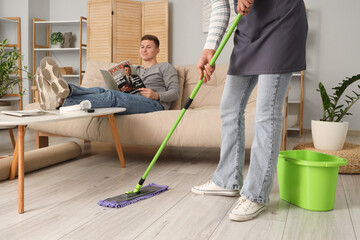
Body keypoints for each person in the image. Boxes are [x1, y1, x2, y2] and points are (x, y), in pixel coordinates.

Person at [192, 0, 308, 222]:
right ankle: (227, 180)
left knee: (267, 112)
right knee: (230, 106)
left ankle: (256, 194)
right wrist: (210, 48)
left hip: (281, 21)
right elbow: (221, 6)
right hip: (248, 29)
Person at [35, 35, 179, 114]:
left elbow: (175, 93)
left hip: (154, 104)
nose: (144, 50)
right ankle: (65, 90)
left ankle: (61, 101)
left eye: (149, 47)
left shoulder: (165, 67)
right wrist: (111, 82)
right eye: (142, 47)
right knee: (101, 90)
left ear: (157, 50)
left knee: (112, 96)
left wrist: (156, 95)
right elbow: (107, 89)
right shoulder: (133, 69)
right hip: (130, 97)